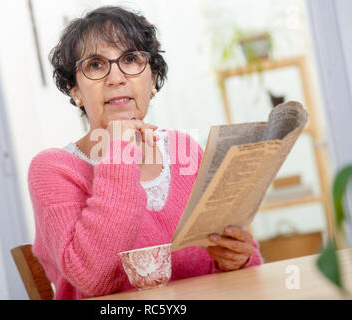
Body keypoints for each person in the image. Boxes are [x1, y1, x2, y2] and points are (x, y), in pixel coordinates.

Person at [27, 5, 263, 300]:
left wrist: (236, 259)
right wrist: (118, 152)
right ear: (74, 90)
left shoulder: (184, 149)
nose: (116, 78)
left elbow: (236, 268)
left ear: (152, 81)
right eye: (96, 65)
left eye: (130, 59)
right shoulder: (51, 170)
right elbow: (94, 280)